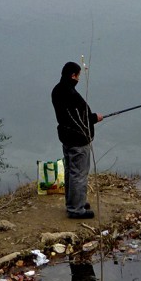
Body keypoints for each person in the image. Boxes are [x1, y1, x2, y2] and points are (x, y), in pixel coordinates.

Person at [51, 61, 103, 219]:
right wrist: (95, 118)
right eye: (78, 75)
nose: (79, 79)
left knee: (70, 172)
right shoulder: (72, 95)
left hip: (66, 138)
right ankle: (76, 209)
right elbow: (82, 119)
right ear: (73, 75)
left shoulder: (57, 90)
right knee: (78, 174)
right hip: (78, 140)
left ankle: (74, 201)